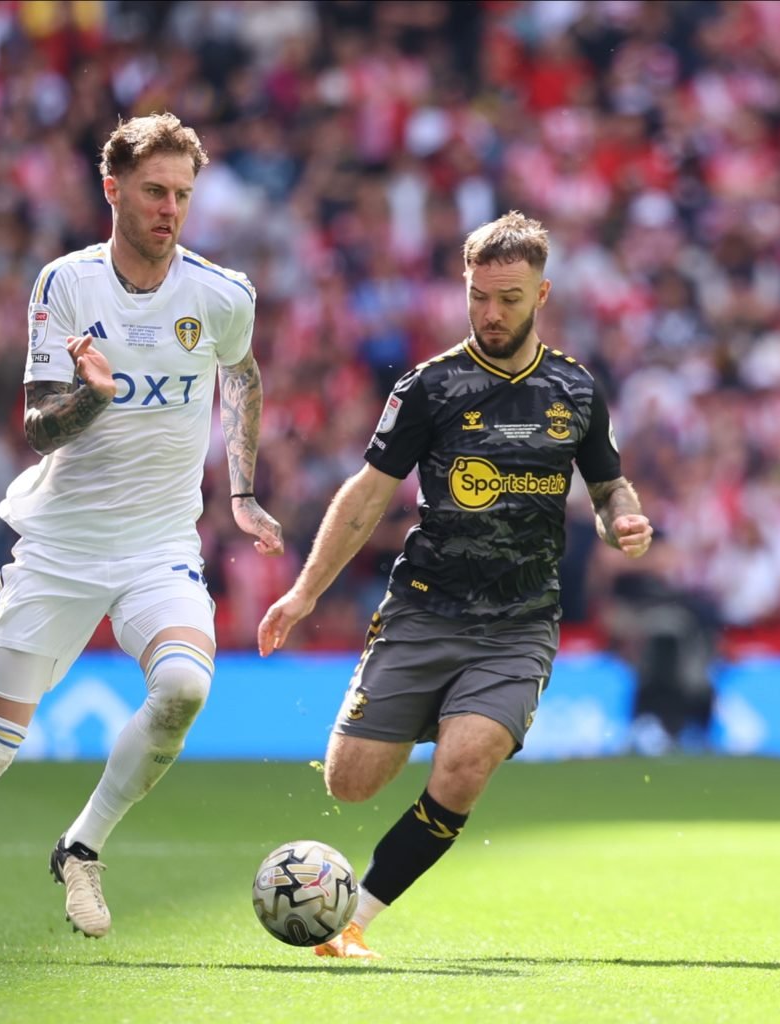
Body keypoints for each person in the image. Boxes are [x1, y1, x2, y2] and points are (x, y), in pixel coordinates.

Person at [0, 113, 283, 962]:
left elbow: (244, 374)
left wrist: (241, 489)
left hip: (159, 546)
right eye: (155, 192)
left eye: (183, 195)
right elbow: (39, 428)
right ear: (113, 190)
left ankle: (82, 845)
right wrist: (93, 396)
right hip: (60, 548)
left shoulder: (221, 294)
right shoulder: (66, 285)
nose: (170, 209)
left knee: (187, 687)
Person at [257, 211, 652, 959]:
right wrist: (304, 594)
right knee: (350, 783)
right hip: (425, 610)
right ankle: (433, 703)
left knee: (466, 765)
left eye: (507, 298)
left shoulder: (574, 389)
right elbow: (368, 494)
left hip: (519, 621)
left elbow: (609, 488)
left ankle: (354, 921)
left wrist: (623, 521)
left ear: (543, 292)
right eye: (478, 297)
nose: (491, 313)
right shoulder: (430, 387)